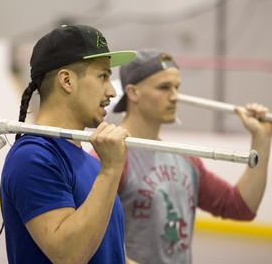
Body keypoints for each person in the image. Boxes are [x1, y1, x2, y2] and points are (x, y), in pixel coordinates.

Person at [90, 48, 271, 264]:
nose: (175, 97)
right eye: (164, 88)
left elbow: (241, 207)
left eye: (177, 88)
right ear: (133, 92)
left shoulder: (185, 159)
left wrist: (261, 139)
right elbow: (92, 238)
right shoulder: (110, 155)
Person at [0, 24, 140, 264]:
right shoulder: (33, 158)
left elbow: (107, 254)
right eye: (103, 76)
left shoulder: (89, 162)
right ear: (66, 80)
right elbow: (69, 255)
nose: (111, 91)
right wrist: (110, 170)